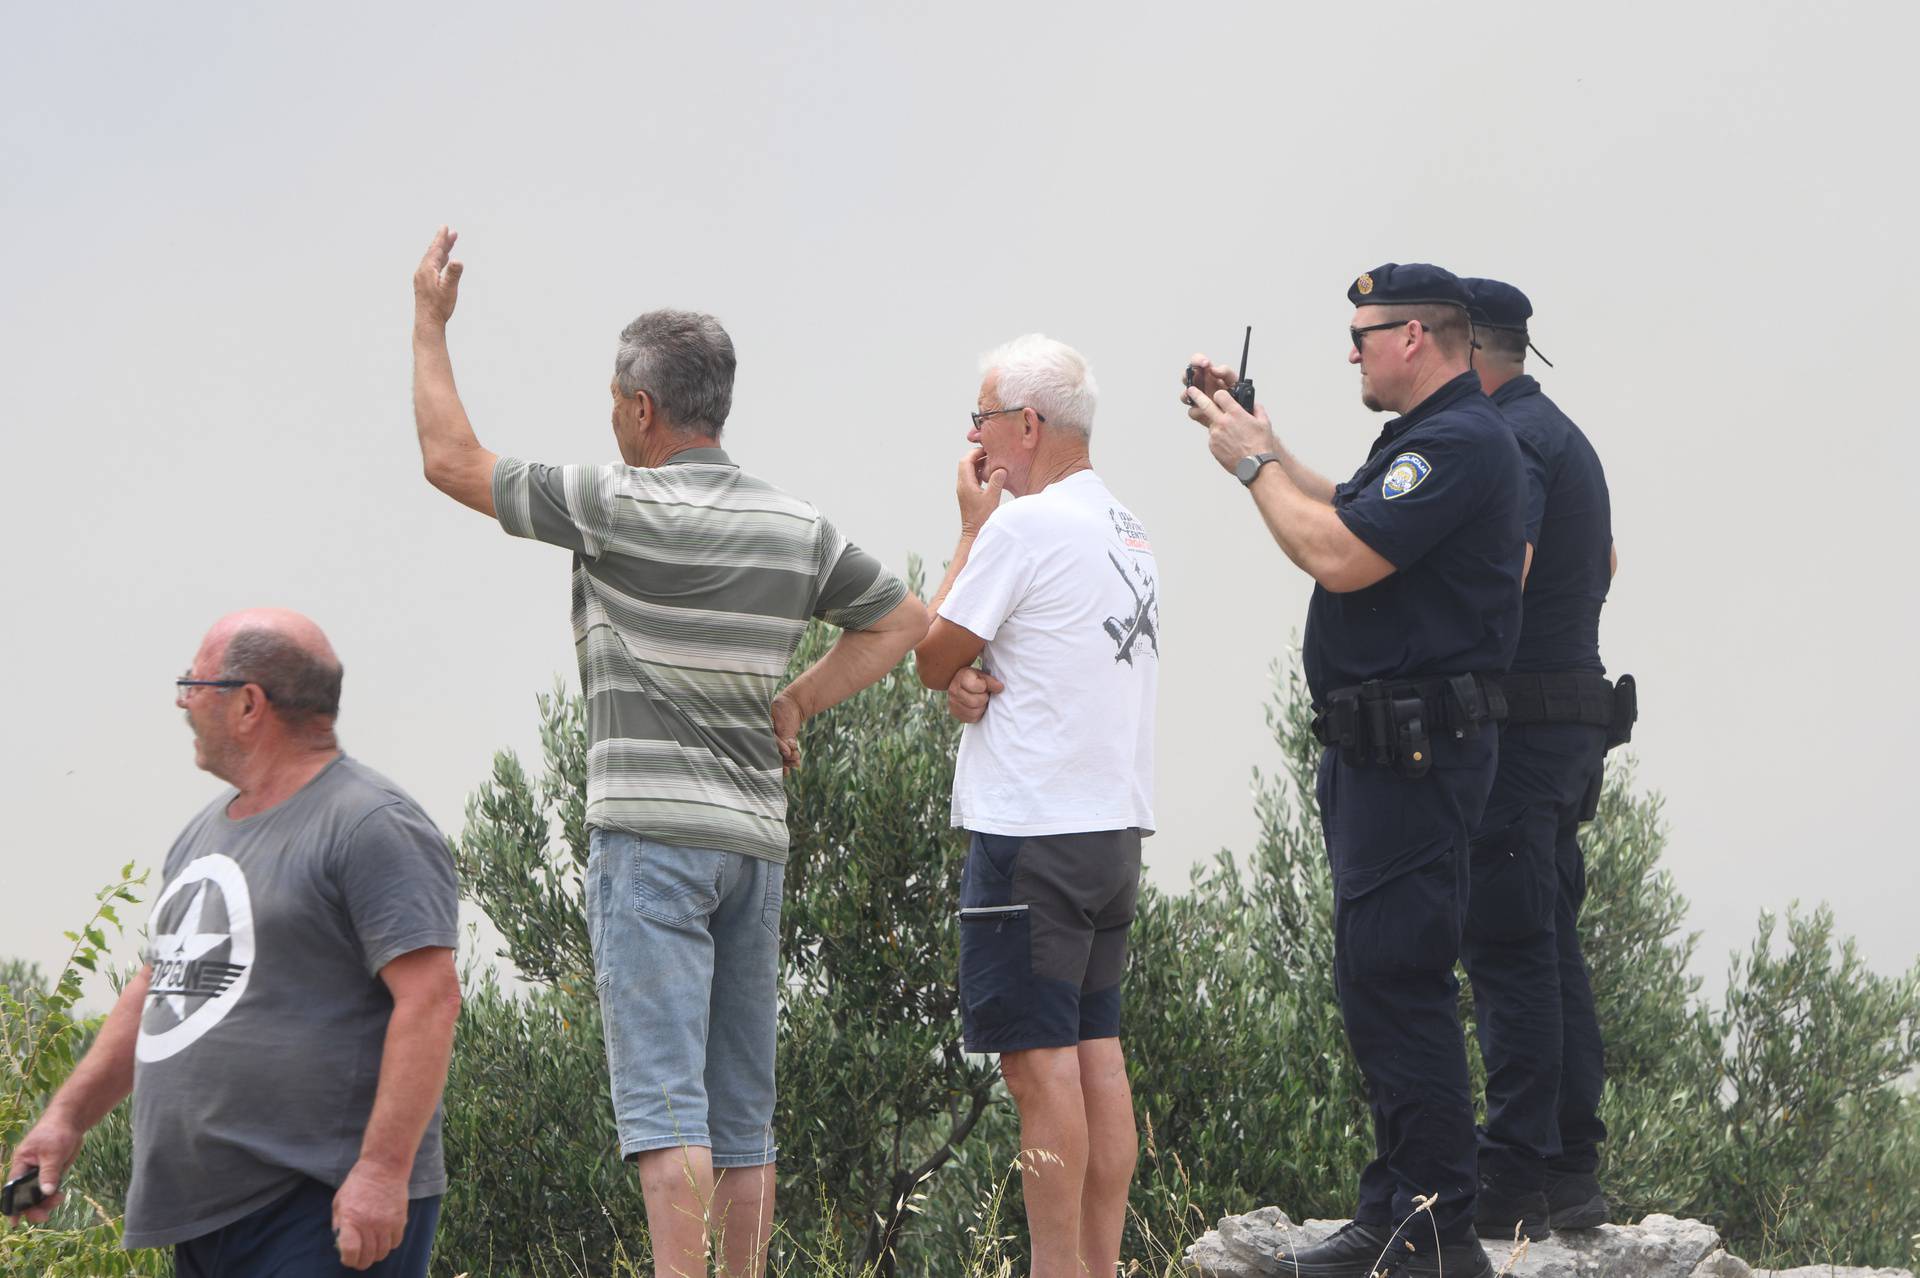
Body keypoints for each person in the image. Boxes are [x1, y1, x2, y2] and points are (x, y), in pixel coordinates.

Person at [408, 227, 925, 1278]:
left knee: (664, 1116)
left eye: (614, 402)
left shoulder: (614, 502)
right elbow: (902, 620)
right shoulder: (798, 526)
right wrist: (798, 703)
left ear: (641, 410)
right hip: (753, 849)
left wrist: (428, 321)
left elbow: (449, 462)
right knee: (744, 1120)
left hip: (649, 843)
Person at [1182, 264, 1526, 1278]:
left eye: (1364, 333)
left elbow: (1337, 552)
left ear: (1414, 337)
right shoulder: (1431, 441)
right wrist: (1266, 439)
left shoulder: (1460, 443)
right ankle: (1403, 1209)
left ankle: (1431, 1228)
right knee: (1380, 978)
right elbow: (1349, 500)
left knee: (1398, 977)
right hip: (1389, 753)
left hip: (1411, 756)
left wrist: (1251, 472)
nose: (1353, 350)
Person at [6, 609, 461, 1276]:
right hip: (208, 1222)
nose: (182, 702)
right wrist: (66, 1120)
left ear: (250, 704)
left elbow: (431, 998)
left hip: (322, 1208)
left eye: (194, 683)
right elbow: (159, 984)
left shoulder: (370, 824)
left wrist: (382, 1171)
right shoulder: (200, 835)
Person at [914, 334, 1158, 1278]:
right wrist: (975, 678)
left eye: (980, 418)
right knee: (1097, 1052)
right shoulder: (1129, 531)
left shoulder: (1023, 528)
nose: (972, 437)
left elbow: (932, 651)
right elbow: (1041, 662)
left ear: (1027, 424)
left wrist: (971, 526)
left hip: (1031, 834)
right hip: (1111, 832)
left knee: (1039, 1067)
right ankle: (1099, 1266)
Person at [1458, 277, 1623, 1240]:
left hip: (1520, 732)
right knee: (1550, 943)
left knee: (1512, 949)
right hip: (1567, 725)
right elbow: (1603, 564)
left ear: (1469, 349)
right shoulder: (1561, 432)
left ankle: (1517, 1176)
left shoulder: (1512, 441)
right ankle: (1567, 1167)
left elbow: (1504, 566)